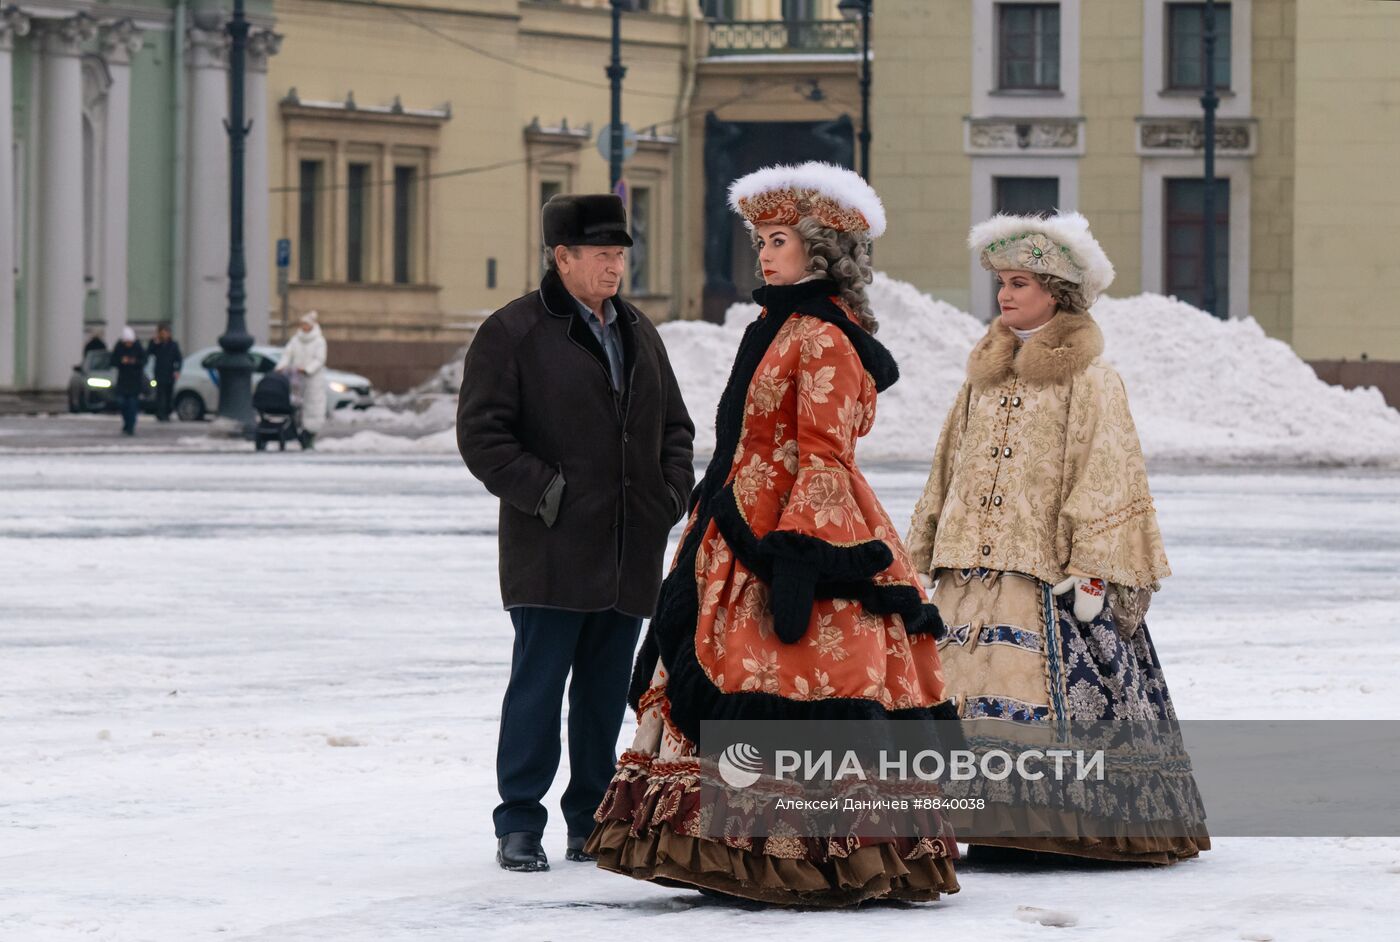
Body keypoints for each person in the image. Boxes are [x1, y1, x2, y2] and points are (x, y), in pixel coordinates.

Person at [585, 163, 961, 907]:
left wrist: (799, 558)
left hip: (791, 529)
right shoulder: (777, 322)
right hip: (735, 517)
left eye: (780, 239)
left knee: (791, 672)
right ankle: (720, 843)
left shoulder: (822, 334)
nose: (764, 252)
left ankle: (808, 853)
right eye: (760, 239)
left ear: (819, 250)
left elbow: (822, 454)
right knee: (719, 669)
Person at [905, 211, 1210, 864]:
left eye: (1021, 282)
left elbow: (1108, 469)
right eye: (1002, 283)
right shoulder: (981, 378)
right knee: (955, 693)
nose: (1005, 295)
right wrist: (925, 546)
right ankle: (973, 819)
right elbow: (947, 465)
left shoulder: (1091, 379)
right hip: (970, 574)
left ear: (1057, 293)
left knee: (1038, 691)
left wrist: (1096, 567)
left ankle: (1048, 824)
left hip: (1046, 574)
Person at [457, 193, 695, 874]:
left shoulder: (639, 331)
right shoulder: (514, 332)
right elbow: (481, 434)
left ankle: (589, 817)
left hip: (627, 553)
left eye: (620, 254)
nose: (614, 266)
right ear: (561, 256)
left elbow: (675, 428)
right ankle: (519, 823)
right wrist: (548, 493)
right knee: (537, 688)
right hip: (551, 549)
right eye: (601, 254)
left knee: (600, 695)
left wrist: (667, 496)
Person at [277, 311, 328, 449]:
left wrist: (307, 369)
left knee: (313, 408)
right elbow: (287, 354)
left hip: (312, 381)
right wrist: (281, 367)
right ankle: (298, 433)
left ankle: (310, 436)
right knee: (297, 407)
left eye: (306, 324)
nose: (303, 326)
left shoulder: (319, 341)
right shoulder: (295, 340)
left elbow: (319, 359)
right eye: (302, 324)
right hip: (297, 380)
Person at [109, 327, 147, 436]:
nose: (128, 344)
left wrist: (134, 362)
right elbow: (113, 361)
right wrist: (121, 361)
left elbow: (144, 360)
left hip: (134, 381)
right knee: (122, 404)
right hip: (123, 381)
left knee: (132, 405)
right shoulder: (119, 347)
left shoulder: (138, 347)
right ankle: (126, 423)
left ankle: (131, 426)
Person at [146, 323, 183, 422]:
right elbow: (148, 353)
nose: (164, 335)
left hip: (170, 373)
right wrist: (154, 343)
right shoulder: (156, 344)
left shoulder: (173, 345)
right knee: (160, 394)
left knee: (168, 393)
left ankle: (167, 411)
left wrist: (177, 370)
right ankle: (161, 413)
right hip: (159, 373)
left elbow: (178, 358)